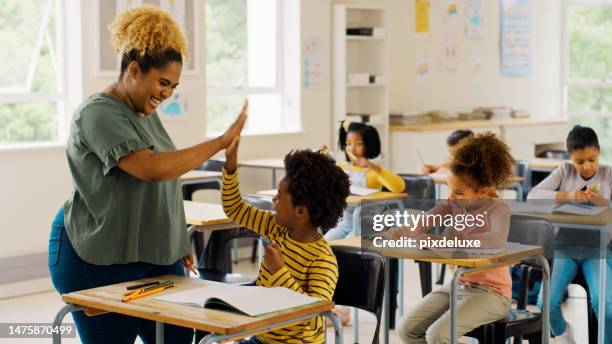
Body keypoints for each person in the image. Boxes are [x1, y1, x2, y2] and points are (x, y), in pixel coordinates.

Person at [48, 6, 246, 343]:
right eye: (163, 82)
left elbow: (167, 174)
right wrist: (219, 142)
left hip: (153, 255)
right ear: (135, 70)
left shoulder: (144, 111)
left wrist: (175, 239)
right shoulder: (98, 113)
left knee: (178, 339)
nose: (168, 93)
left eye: (174, 86)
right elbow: (150, 169)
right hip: (97, 256)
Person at [388, 133, 515, 343]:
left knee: (437, 335)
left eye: (458, 192)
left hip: (492, 294)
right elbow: (425, 222)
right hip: (460, 285)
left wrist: (441, 242)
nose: (451, 197)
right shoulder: (453, 202)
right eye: (450, 190)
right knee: (406, 330)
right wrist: (405, 231)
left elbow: (493, 242)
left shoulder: (498, 209)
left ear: (483, 191)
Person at [221, 137, 350, 343]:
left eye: (279, 196)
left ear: (300, 210)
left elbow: (315, 318)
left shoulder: (322, 260)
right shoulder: (275, 227)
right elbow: (235, 209)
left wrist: (279, 271)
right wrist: (230, 169)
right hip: (262, 338)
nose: (273, 201)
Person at [528, 125, 612, 344]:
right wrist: (568, 195)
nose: (586, 166)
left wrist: (604, 202)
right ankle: (565, 333)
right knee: (546, 302)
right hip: (566, 248)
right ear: (571, 158)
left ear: (599, 151)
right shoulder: (565, 171)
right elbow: (533, 196)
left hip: (598, 250)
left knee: (606, 306)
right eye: (580, 161)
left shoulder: (608, 173)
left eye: (592, 159)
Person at [323, 121, 405, 241]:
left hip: (368, 225)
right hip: (346, 224)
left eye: (358, 144)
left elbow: (400, 187)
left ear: (368, 145)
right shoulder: (343, 167)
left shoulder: (374, 171)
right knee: (326, 242)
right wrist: (325, 157)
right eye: (349, 144)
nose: (352, 148)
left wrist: (374, 167)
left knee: (347, 245)